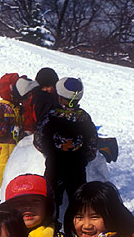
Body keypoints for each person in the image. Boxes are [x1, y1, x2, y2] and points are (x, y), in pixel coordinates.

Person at [34, 77, 98, 214]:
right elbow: (92, 145)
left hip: (54, 165)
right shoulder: (84, 118)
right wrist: (84, 158)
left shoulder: (51, 115)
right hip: (77, 167)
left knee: (51, 197)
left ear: (60, 97)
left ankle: (50, 226)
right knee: (78, 198)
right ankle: (76, 226)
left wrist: (49, 151)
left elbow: (38, 141)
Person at [0, 73, 34, 203]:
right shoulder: (1, 107)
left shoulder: (19, 108)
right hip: (0, 150)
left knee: (13, 176)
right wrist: (11, 130)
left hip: (14, 148)